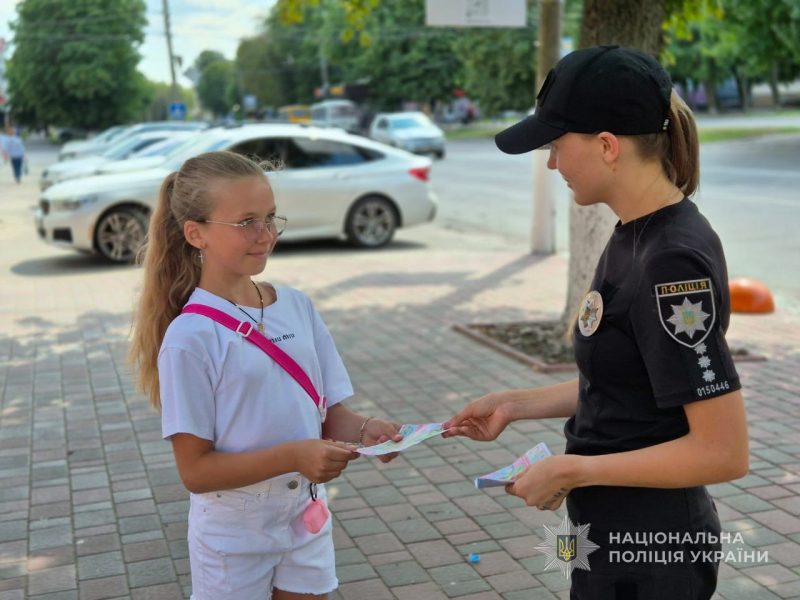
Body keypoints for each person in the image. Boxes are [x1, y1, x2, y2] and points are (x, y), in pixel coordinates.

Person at [444, 45, 749, 600]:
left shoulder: (670, 261)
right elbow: (627, 380)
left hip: (654, 549)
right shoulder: (635, 230)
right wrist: (516, 403)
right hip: (611, 533)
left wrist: (571, 470)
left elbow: (723, 450)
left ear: (608, 146)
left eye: (557, 145)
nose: (552, 163)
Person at [129, 150, 402, 600]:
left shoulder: (296, 305)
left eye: (271, 217)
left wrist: (370, 430)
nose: (266, 234)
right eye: (246, 222)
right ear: (195, 234)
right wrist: (295, 455)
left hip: (305, 514)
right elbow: (195, 471)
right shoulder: (190, 337)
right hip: (233, 536)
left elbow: (330, 412)